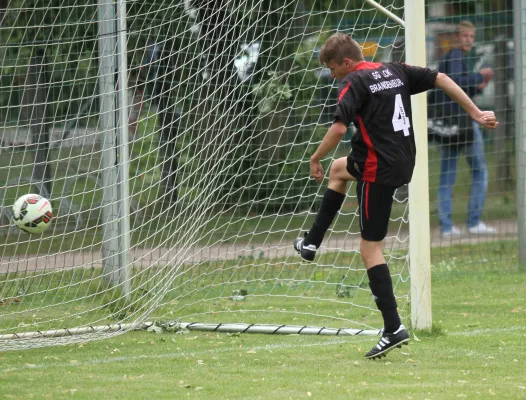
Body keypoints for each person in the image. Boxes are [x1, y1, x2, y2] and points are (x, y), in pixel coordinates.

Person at [292, 33, 498, 359]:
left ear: (346, 62)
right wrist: (474, 112)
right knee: (339, 169)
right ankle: (311, 243)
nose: (332, 75)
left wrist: (314, 157)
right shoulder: (394, 70)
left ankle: (393, 328)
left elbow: (338, 129)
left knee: (370, 248)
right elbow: (440, 78)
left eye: (332, 68)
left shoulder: (354, 83)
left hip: (378, 169)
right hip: (403, 161)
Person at [432, 21, 495, 236]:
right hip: (464, 125)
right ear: (457, 38)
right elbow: (457, 81)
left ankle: (446, 226)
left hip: (448, 126)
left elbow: (456, 89)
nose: (468, 39)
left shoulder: (449, 58)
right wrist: (481, 76)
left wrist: (476, 87)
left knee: (447, 175)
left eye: (471, 36)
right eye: (464, 35)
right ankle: (474, 222)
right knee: (479, 171)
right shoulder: (457, 56)